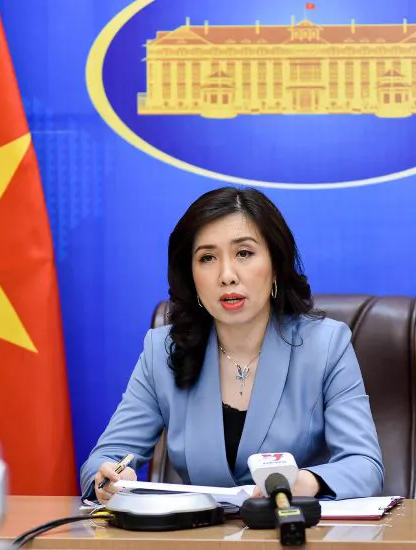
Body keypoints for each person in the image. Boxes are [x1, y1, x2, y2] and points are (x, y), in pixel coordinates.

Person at [80, 186, 383, 504]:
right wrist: (107, 477)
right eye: (208, 258)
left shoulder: (325, 345)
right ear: (191, 275)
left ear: (276, 264)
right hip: (200, 529)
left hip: (291, 525)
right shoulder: (163, 351)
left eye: (244, 253)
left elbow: (364, 465)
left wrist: (303, 482)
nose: (227, 276)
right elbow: (105, 458)